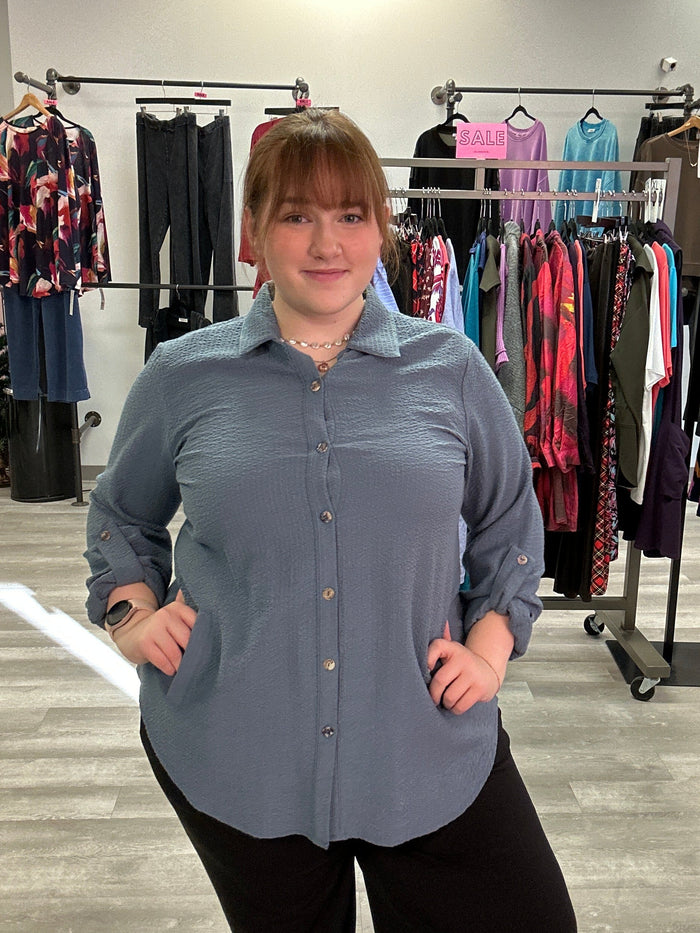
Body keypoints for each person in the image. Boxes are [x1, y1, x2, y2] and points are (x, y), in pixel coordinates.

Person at [85, 108, 577, 932]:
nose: (326, 243)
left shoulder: (451, 369)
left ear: (382, 228)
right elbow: (119, 514)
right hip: (239, 751)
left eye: (350, 215)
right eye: (296, 215)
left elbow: (509, 521)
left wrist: (491, 649)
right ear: (254, 229)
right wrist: (131, 614)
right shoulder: (182, 375)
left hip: (423, 744)